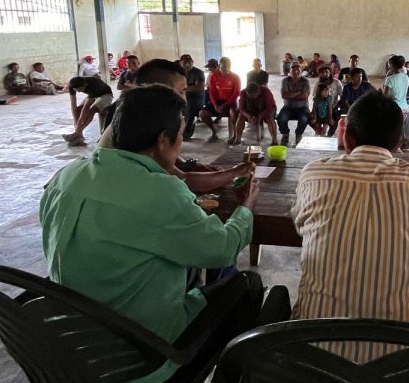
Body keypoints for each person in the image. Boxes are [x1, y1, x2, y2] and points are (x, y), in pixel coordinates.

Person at [41, 85, 276, 383]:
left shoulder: (66, 176)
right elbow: (222, 250)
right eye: (180, 137)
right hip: (144, 355)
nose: (181, 145)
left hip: (73, 341)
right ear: (164, 140)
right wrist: (246, 207)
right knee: (248, 286)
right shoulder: (161, 192)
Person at [291, 90, 409, 363]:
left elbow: (300, 221)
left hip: (315, 360)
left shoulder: (314, 174)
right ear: (399, 141)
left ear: (346, 136)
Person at [99, 59, 255, 196]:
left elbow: (175, 164)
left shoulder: (141, 112)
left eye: (184, 91)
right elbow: (183, 180)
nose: (184, 100)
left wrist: (196, 166)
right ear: (152, 90)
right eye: (179, 92)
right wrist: (234, 173)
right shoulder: (137, 123)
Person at [199, 56, 241, 143]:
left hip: (230, 102)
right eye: (223, 67)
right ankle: (214, 131)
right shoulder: (214, 76)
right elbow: (212, 92)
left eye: (228, 66)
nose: (226, 69)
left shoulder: (235, 77)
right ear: (219, 66)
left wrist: (225, 105)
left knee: (233, 113)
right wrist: (215, 105)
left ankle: (235, 136)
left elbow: (236, 93)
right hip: (217, 102)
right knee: (202, 113)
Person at [63, 76, 113, 146]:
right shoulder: (72, 85)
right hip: (93, 95)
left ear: (85, 85)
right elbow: (73, 103)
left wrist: (78, 127)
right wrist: (75, 122)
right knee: (78, 109)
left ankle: (77, 133)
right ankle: (79, 137)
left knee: (92, 110)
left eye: (79, 89)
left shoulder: (92, 86)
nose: (78, 92)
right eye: (76, 90)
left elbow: (86, 108)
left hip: (106, 95)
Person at [383, 54, 409, 152]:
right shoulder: (406, 78)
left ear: (392, 66)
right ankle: (398, 146)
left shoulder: (389, 79)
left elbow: (385, 97)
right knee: (400, 130)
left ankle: (392, 147)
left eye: (390, 65)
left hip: (393, 109)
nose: (389, 67)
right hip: (404, 107)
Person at [277, 62, 310, 147]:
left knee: (304, 119)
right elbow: (284, 95)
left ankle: (298, 135)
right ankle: (285, 135)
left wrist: (290, 95)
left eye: (298, 69)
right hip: (288, 107)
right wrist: (299, 92)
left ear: (301, 70)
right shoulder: (285, 81)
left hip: (303, 107)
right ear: (290, 71)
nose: (295, 71)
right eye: (293, 69)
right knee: (281, 118)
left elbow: (304, 96)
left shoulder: (305, 81)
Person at [180, 54, 205, 140]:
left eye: (189, 62)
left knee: (189, 106)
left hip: (197, 98)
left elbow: (198, 87)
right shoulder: (178, 73)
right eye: (184, 62)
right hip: (183, 96)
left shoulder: (198, 73)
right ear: (180, 63)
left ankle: (186, 130)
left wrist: (182, 88)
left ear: (192, 62)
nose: (187, 64)